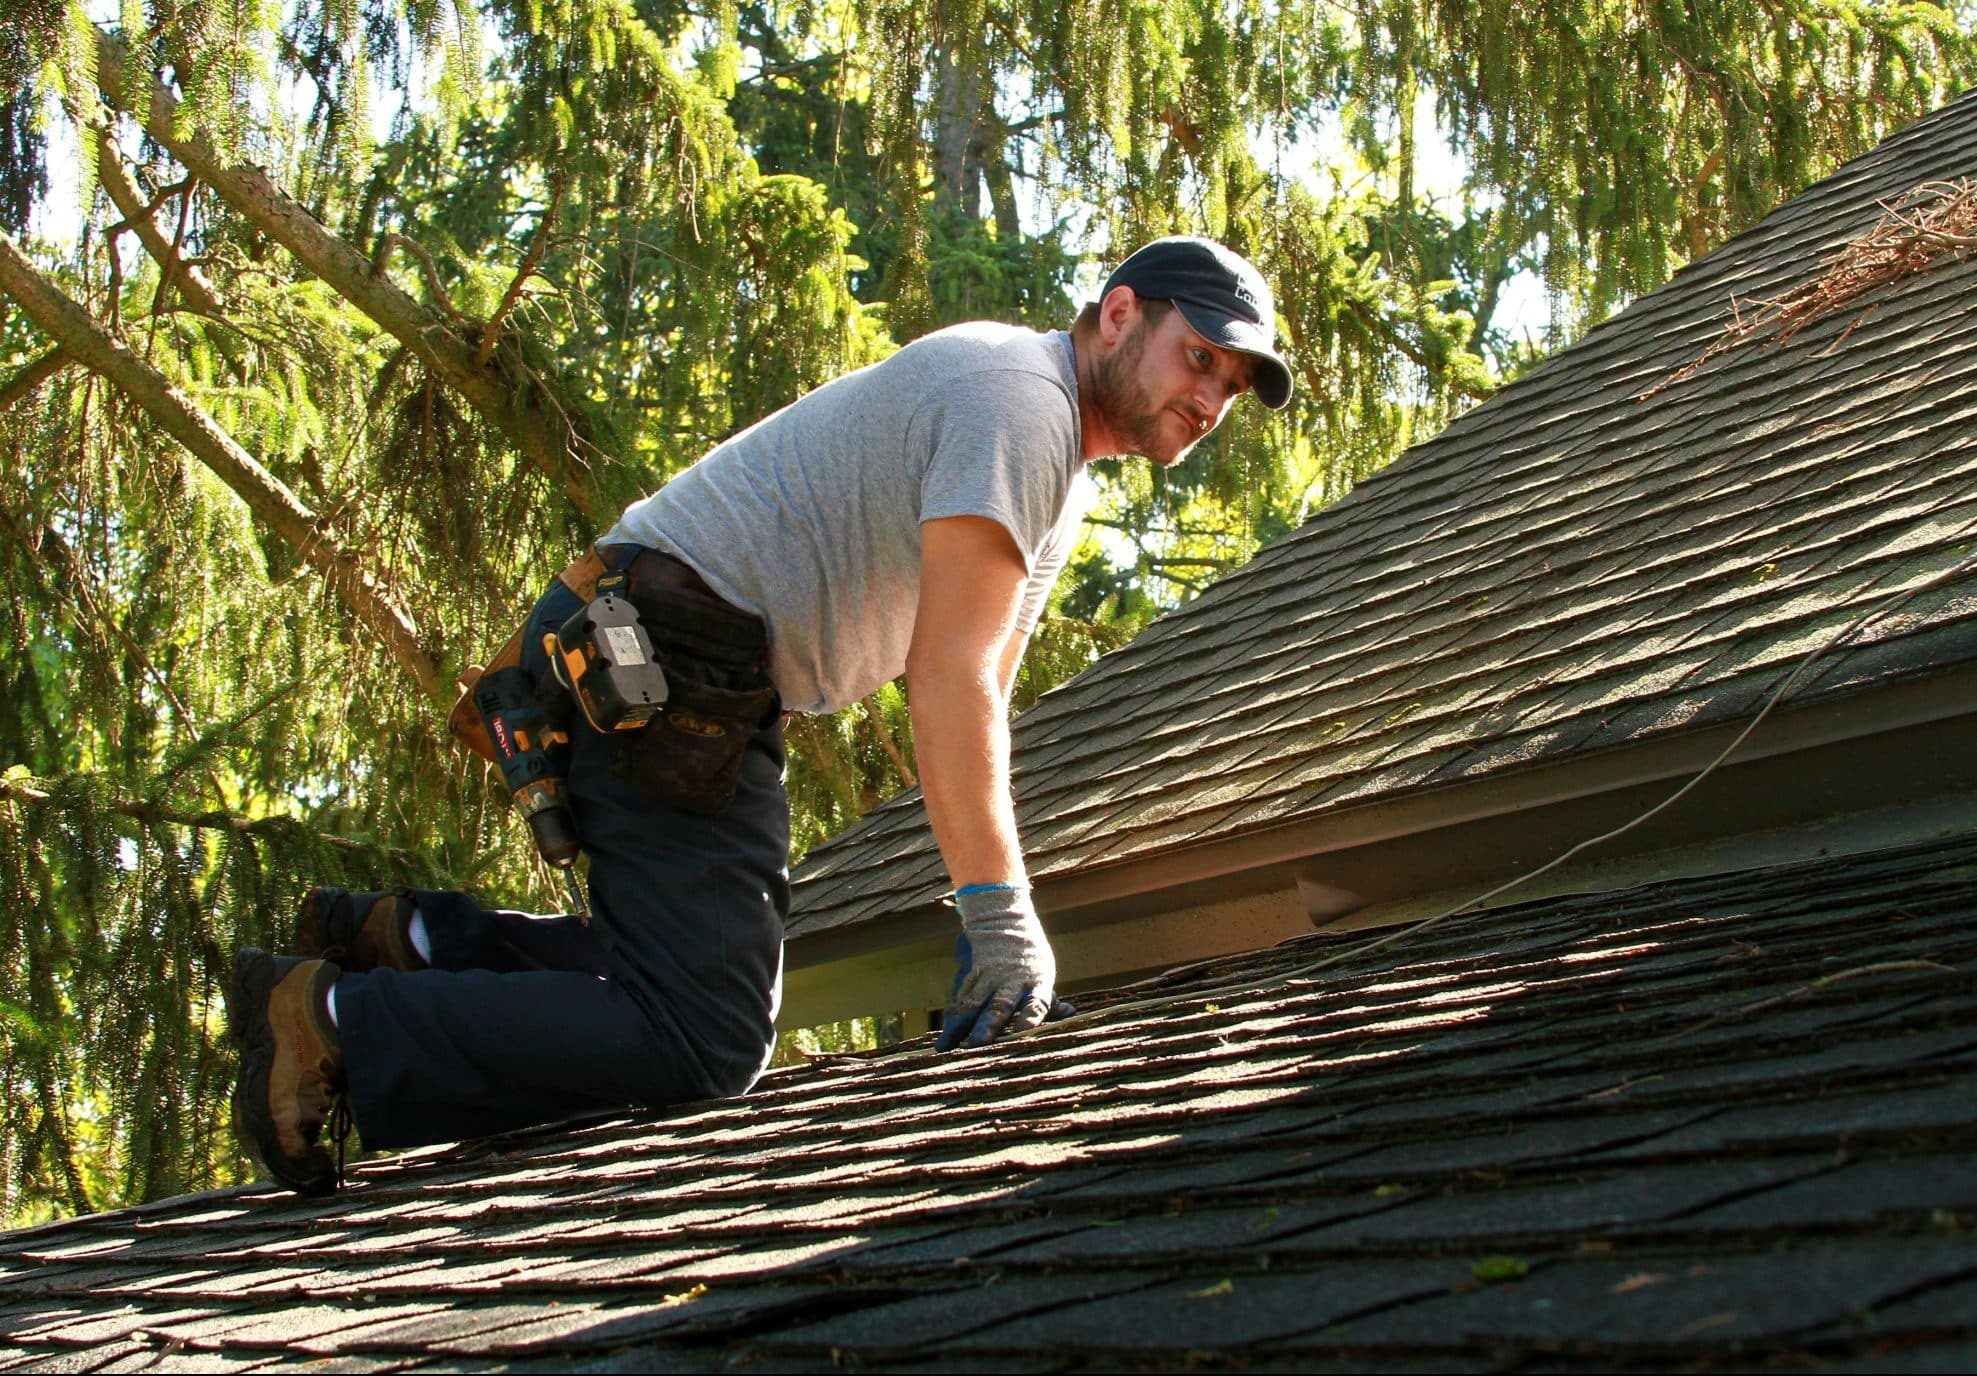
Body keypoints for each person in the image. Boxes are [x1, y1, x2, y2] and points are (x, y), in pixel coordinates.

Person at [227, 236, 1295, 1194]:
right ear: (1119, 314)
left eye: (1234, 385)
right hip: (656, 645)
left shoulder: (1056, 467)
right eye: (1199, 355)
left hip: (682, 651)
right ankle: (331, 1021)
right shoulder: (1020, 403)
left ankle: (411, 944)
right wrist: (1000, 916)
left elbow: (986, 695)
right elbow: (949, 677)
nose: (1210, 398)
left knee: (687, 986)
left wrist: (994, 903)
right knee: (704, 1035)